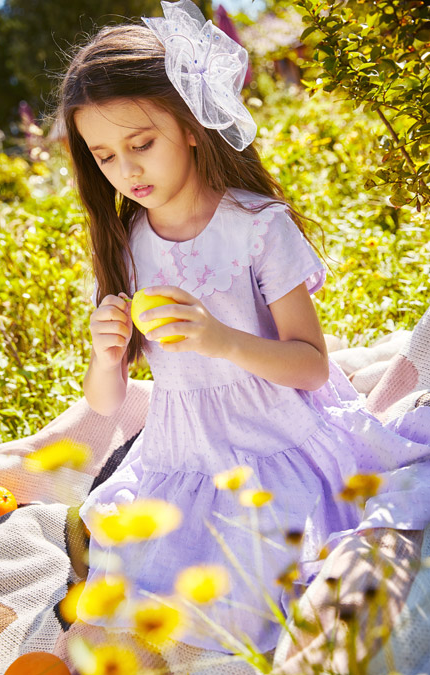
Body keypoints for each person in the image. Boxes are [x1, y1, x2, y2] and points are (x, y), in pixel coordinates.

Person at [58, 0, 430, 665]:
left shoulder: (258, 227)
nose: (127, 170)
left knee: (247, 589)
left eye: (142, 143)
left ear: (194, 124)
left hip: (272, 446)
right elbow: (108, 404)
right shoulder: (128, 240)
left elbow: (312, 366)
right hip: (183, 457)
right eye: (105, 155)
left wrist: (222, 340)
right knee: (133, 576)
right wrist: (105, 352)